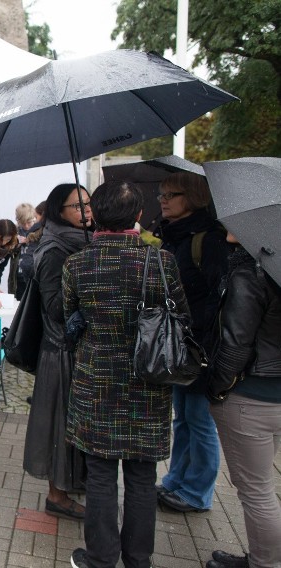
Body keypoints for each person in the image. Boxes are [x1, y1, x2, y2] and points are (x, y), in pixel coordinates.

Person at [63, 180, 187, 568]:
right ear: (137, 215)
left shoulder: (78, 263)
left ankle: (100, 558)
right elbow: (182, 316)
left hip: (96, 381)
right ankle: (138, 560)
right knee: (141, 475)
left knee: (100, 473)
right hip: (148, 381)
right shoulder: (160, 260)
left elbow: (67, 318)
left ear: (94, 215)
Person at [206, 233, 281, 568]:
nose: (226, 224)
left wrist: (218, 388)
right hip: (273, 392)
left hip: (251, 394)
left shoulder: (252, 272)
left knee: (257, 492)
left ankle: (265, 563)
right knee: (263, 487)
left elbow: (236, 343)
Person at [155, 171, 228, 513]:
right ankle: (176, 481)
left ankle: (197, 492)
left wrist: (196, 332)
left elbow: (218, 298)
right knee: (182, 416)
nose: (163, 200)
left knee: (200, 421)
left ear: (193, 198)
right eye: (162, 194)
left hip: (200, 344)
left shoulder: (208, 239)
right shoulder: (173, 236)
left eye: (171, 194)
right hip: (180, 343)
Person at [22, 183, 92, 521]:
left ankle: (71, 483)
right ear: (58, 211)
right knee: (59, 427)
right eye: (77, 206)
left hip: (76, 350)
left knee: (74, 425)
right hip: (60, 350)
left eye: (88, 204)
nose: (86, 211)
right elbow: (55, 307)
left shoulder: (81, 241)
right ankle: (57, 496)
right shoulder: (53, 248)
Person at [9, 202, 41, 300]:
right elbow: (5, 253)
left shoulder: (40, 231)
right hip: (18, 277)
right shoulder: (13, 231)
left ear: (34, 218)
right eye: (23, 223)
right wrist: (14, 244)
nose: (26, 226)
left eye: (29, 222)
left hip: (34, 276)